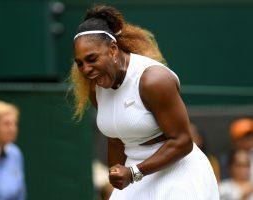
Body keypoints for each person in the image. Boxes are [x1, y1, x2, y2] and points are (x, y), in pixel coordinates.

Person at [71, 5, 219, 199]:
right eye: (80, 63)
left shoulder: (153, 80)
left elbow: (183, 141)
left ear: (113, 49)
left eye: (92, 59)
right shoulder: (95, 87)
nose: (86, 69)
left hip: (179, 174)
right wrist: (117, 180)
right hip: (137, 175)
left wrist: (133, 173)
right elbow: (116, 138)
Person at [0, 100, 26, 200]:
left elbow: (20, 195)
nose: (12, 128)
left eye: (14, 123)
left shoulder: (15, 154)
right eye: (6, 124)